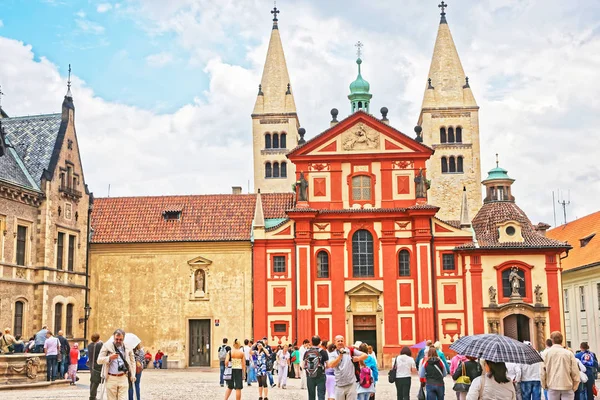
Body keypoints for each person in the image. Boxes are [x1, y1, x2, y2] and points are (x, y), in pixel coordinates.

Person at [97, 329, 136, 400]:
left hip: (123, 377)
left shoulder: (128, 347)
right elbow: (99, 360)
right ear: (113, 337)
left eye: (120, 339)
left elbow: (132, 362)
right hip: (111, 378)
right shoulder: (107, 346)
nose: (118, 341)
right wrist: (109, 358)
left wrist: (133, 374)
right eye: (116, 339)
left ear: (123, 338)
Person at [540, 331, 580, 400]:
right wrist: (575, 386)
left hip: (552, 385)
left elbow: (542, 372)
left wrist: (544, 385)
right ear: (562, 340)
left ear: (552, 340)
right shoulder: (569, 353)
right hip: (567, 385)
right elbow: (575, 371)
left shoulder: (545, 353)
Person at [328, 335, 368, 400]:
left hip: (351, 384)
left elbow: (365, 355)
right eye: (338, 341)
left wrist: (358, 358)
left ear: (344, 342)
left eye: (342, 341)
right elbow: (331, 365)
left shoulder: (350, 350)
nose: (340, 342)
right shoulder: (333, 354)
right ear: (335, 343)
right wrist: (340, 356)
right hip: (339, 385)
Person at [304, 335, 329, 400]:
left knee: (311, 395)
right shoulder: (323, 352)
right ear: (320, 342)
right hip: (320, 375)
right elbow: (327, 365)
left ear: (311, 342)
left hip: (310, 375)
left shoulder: (307, 352)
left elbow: (303, 364)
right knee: (321, 394)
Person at [88, 333, 104, 400]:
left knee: (92, 380)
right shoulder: (99, 345)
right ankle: (92, 396)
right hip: (97, 365)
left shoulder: (89, 345)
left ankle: (92, 395)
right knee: (95, 381)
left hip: (91, 365)